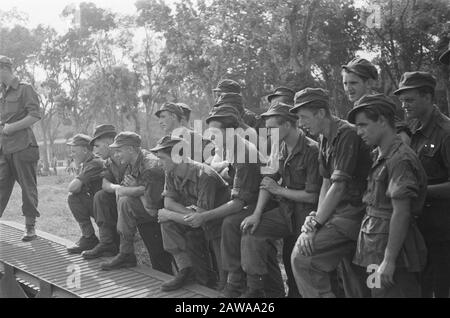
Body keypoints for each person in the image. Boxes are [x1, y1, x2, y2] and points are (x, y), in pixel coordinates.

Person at [290, 88, 372, 298]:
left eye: (304, 117)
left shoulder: (347, 134)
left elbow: (339, 186)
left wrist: (315, 226)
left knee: (303, 257)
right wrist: (316, 220)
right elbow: (326, 183)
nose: (300, 124)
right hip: (339, 214)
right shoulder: (325, 138)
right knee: (353, 281)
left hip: (357, 213)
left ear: (320, 113)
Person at [348, 94, 427, 297]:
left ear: (382, 120)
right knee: (377, 294)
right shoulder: (379, 154)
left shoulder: (400, 158)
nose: (359, 132)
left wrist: (389, 260)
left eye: (363, 125)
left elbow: (401, 212)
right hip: (373, 247)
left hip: (393, 252)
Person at [239, 102, 321, 297]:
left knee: (298, 265)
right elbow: (267, 181)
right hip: (286, 213)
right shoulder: (279, 147)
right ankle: (256, 289)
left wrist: (279, 191)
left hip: (308, 218)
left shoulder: (312, 150)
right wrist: (257, 214)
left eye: (272, 128)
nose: (268, 134)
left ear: (288, 125)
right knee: (253, 231)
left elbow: (313, 196)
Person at [394, 71, 450, 298]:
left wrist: (420, 192)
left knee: (440, 289)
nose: (404, 105)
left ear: (428, 97)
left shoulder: (445, 133)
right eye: (402, 100)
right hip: (420, 230)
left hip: (442, 233)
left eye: (410, 99)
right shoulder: (415, 131)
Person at [150, 136, 230, 291]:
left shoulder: (204, 175)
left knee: (224, 283)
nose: (159, 163)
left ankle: (219, 284)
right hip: (199, 215)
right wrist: (189, 213)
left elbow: (200, 218)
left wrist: (172, 215)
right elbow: (169, 203)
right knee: (167, 222)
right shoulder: (171, 171)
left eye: (162, 159)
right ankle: (185, 269)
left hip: (219, 222)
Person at [99, 132, 172, 272]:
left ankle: (126, 253)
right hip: (147, 213)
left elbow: (151, 208)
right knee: (124, 200)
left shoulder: (151, 166)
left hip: (161, 215)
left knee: (125, 200)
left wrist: (134, 189)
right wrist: (137, 189)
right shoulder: (130, 162)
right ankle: (125, 253)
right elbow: (124, 189)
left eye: (119, 150)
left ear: (131, 149)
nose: (116, 154)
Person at [0, 55, 42, 241]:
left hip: (24, 146)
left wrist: (12, 127)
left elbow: (35, 116)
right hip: (4, 148)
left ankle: (30, 227)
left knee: (27, 187)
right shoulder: (2, 93)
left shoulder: (25, 89)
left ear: (4, 69)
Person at [342, 57, 411, 144]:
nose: (348, 88)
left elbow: (403, 137)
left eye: (353, 83)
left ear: (368, 83)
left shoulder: (377, 105)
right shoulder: (358, 105)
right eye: (345, 83)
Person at [81, 124, 125, 260]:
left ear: (109, 143)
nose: (95, 151)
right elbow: (105, 185)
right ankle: (107, 243)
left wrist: (124, 190)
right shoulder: (108, 162)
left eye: (97, 146)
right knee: (101, 195)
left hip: (140, 202)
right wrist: (118, 188)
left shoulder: (127, 157)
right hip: (122, 197)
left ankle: (123, 250)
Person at [66, 134, 104, 254]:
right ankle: (89, 237)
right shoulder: (87, 163)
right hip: (100, 208)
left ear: (85, 150)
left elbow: (73, 187)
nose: (72, 155)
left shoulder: (95, 163)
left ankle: (90, 238)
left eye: (74, 151)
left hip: (107, 211)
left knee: (73, 198)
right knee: (75, 197)